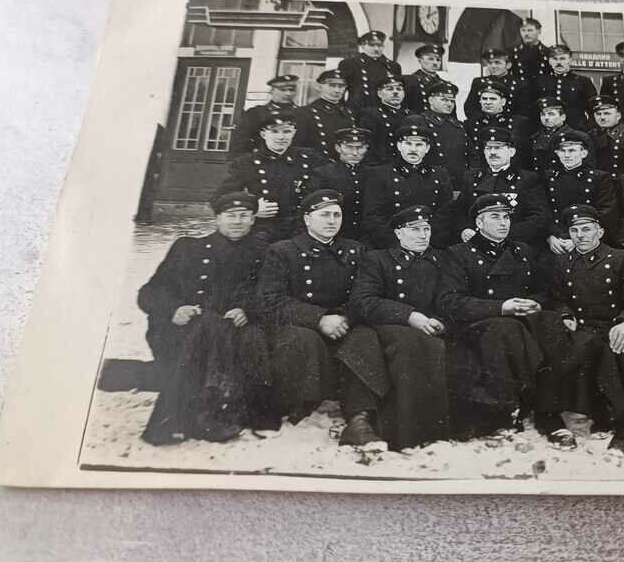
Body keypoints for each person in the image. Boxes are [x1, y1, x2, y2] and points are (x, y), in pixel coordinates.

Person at [137, 191, 269, 445]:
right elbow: (149, 292)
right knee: (206, 325)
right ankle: (201, 415)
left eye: (244, 216)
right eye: (230, 215)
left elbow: (270, 294)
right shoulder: (189, 248)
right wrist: (174, 309)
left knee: (212, 326)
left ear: (253, 219)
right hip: (182, 332)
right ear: (217, 218)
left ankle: (177, 419)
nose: (237, 221)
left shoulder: (264, 253)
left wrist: (247, 310)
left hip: (233, 333)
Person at [438, 194, 570, 444]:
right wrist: (501, 307)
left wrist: (535, 302)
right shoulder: (458, 254)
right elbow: (450, 302)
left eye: (506, 217)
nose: (503, 223)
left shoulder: (521, 250)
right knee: (506, 329)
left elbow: (544, 290)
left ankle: (549, 413)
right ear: (479, 222)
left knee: (550, 322)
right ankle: (505, 412)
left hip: (518, 321)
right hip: (476, 327)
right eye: (495, 217)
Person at [255, 190, 368, 431]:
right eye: (324, 214)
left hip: (343, 322)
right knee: (301, 339)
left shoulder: (355, 250)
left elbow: (364, 293)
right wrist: (319, 318)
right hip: (299, 323)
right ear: (307, 219)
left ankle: (359, 414)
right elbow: (271, 299)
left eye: (337, 215)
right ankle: (301, 404)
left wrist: (345, 317)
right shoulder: (283, 251)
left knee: (365, 337)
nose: (331, 220)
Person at [547, 205, 624, 453]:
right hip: (582, 328)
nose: (580, 235)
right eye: (574, 230)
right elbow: (556, 298)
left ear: (600, 231)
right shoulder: (562, 262)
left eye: (586, 229)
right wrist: (565, 314)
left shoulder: (622, 258)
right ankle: (617, 419)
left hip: (615, 325)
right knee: (590, 346)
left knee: (611, 346)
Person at [346, 205, 452, 450]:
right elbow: (363, 300)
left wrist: (442, 320)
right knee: (408, 342)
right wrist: (409, 315)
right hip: (387, 327)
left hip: (432, 328)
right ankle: (404, 436)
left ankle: (433, 434)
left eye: (426, 229)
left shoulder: (442, 260)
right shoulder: (377, 259)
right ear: (398, 233)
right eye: (414, 230)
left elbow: (452, 298)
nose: (423, 235)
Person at [214, 114, 325, 242]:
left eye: (287, 131)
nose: (281, 137)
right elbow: (220, 197)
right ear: (263, 134)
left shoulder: (310, 158)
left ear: (294, 133)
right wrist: (252, 208)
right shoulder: (246, 163)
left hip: (301, 230)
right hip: (263, 231)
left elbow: (325, 188)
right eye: (274, 131)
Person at [454, 126, 550, 253]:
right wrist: (464, 229)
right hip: (476, 246)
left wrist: (501, 234)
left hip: (514, 246)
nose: (492, 152)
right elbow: (459, 211)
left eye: (498, 147)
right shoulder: (472, 178)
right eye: (488, 148)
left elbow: (538, 218)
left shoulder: (528, 179)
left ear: (511, 152)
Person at [360, 123, 454, 249]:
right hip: (392, 245)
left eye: (419, 145)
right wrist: (398, 242)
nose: (413, 150)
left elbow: (445, 213)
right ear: (399, 146)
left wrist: (425, 240)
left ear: (427, 148)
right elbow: (373, 217)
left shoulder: (439, 175)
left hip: (429, 243)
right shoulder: (380, 175)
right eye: (408, 144)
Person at [543, 129, 621, 255]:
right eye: (562, 151)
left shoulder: (599, 178)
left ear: (584, 153)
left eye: (572, 150)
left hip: (589, 241)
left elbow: (607, 213)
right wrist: (549, 236)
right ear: (557, 153)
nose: (567, 155)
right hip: (556, 241)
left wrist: (577, 241)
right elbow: (544, 211)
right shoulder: (548, 178)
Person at [403, 80, 470, 192]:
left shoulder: (458, 125)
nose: (449, 104)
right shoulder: (418, 121)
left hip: (458, 184)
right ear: (430, 100)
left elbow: (470, 155)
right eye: (444, 99)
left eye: (452, 101)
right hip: (427, 182)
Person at [307, 127, 373, 241]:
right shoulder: (323, 173)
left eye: (360, 148)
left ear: (366, 148)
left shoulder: (374, 173)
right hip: (337, 234)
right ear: (338, 148)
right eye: (348, 147)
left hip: (368, 235)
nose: (355, 153)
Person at [465, 83, 533, 171]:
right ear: (480, 101)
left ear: (503, 102)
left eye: (493, 99)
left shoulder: (519, 123)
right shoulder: (471, 124)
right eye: (484, 99)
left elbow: (525, 155)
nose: (488, 102)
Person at [294, 68, 358, 162]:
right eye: (332, 85)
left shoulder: (350, 113)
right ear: (319, 87)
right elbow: (299, 147)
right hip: (318, 166)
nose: (337, 90)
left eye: (341, 86)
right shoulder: (305, 113)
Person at [230, 74, 301, 155]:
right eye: (283, 90)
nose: (288, 94)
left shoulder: (303, 114)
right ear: (272, 91)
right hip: (261, 161)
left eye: (291, 90)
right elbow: (240, 142)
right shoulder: (255, 113)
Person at [532, 44, 597, 130]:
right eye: (555, 59)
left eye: (562, 59)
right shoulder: (540, 82)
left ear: (570, 60)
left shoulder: (583, 81)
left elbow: (593, 109)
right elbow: (533, 109)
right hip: (546, 129)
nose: (559, 63)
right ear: (549, 61)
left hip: (575, 128)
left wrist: (587, 128)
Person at [338, 30, 403, 113]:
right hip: (358, 110)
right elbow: (341, 89)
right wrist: (342, 110)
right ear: (362, 46)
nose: (376, 49)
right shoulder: (349, 64)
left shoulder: (393, 66)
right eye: (372, 45)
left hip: (384, 111)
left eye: (379, 45)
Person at [463, 47, 534, 122]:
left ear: (508, 65)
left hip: (509, 127)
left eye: (497, 62)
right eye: (490, 63)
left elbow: (523, 112)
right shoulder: (478, 82)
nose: (493, 66)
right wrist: (483, 120)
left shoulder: (520, 85)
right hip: (483, 125)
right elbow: (469, 108)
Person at [358, 72, 410, 165]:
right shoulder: (371, 114)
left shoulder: (410, 115)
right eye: (389, 89)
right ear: (379, 93)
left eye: (399, 89)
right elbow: (368, 146)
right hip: (381, 165)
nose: (395, 92)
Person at [586, 94, 624, 176]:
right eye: (598, 114)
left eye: (607, 113)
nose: (602, 117)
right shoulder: (591, 135)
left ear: (618, 116)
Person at [527, 96, 570, 175]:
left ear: (563, 117)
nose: (546, 118)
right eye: (543, 114)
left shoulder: (576, 137)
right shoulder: (535, 137)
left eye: (551, 114)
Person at [402, 43, 447, 114]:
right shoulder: (409, 81)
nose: (435, 63)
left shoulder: (444, 84)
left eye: (438, 59)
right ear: (420, 61)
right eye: (430, 59)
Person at [508, 17, 552, 86]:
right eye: (523, 30)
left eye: (530, 30)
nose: (526, 34)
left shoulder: (548, 52)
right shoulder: (511, 52)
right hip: (520, 91)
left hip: (541, 92)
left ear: (539, 31)